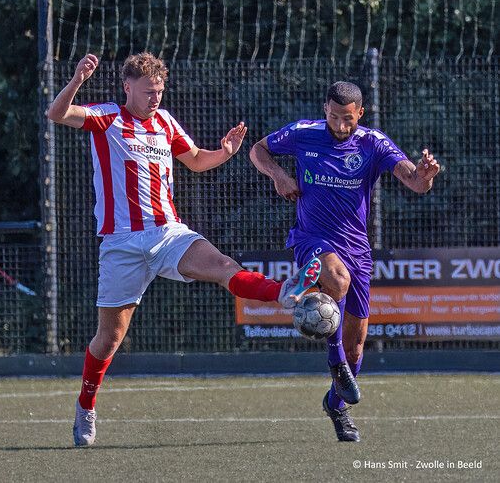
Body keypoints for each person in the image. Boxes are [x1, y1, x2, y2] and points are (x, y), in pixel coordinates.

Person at [47, 51, 322, 447]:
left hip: (167, 234)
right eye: (148, 91)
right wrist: (76, 79)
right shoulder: (107, 116)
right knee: (109, 339)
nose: (155, 98)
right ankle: (86, 405)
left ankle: (283, 292)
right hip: (121, 244)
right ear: (127, 87)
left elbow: (194, 160)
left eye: (159, 91)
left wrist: (224, 153)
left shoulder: (164, 122)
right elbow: (57, 114)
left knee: (224, 265)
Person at [250, 81, 441, 442]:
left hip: (358, 251)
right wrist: (278, 174)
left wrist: (425, 177)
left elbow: (414, 182)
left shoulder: (373, 143)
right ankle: (334, 361)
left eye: (348, 119)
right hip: (312, 239)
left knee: (357, 347)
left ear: (361, 114)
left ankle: (336, 405)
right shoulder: (303, 133)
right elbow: (258, 150)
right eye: (335, 117)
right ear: (325, 110)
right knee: (337, 281)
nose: (341, 125)